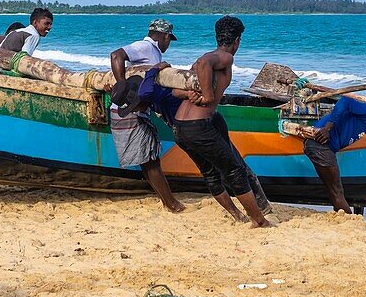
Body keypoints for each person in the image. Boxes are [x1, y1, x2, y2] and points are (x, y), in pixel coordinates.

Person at [171, 16, 271, 228]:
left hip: (180, 127)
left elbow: (175, 90)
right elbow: (208, 63)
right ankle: (259, 220)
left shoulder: (199, 61)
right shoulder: (223, 57)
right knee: (234, 169)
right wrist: (207, 95)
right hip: (198, 128)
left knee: (210, 173)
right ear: (237, 40)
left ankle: (238, 216)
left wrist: (191, 93)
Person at [107, 20, 184, 213]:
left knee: (147, 158)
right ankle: (172, 204)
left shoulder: (153, 51)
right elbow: (116, 55)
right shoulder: (145, 46)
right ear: (165, 36)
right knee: (151, 160)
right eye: (169, 40)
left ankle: (167, 201)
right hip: (130, 109)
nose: (169, 45)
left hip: (135, 109)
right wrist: (122, 84)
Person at [299, 96, 366, 213]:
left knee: (333, 188)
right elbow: (345, 101)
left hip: (320, 147)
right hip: (320, 146)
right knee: (337, 189)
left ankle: (340, 215)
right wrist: (327, 128)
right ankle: (349, 219)